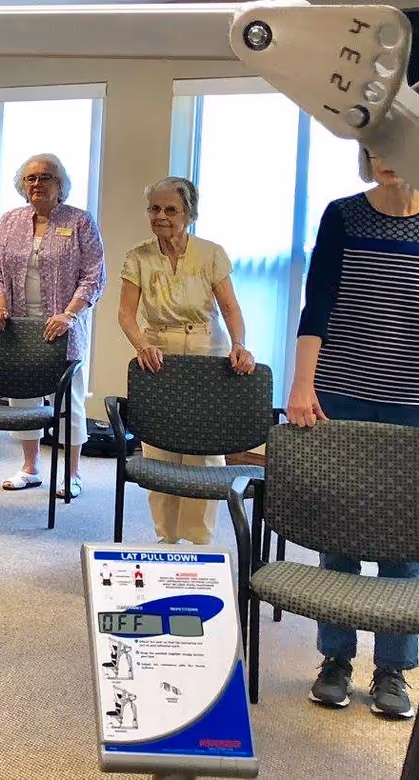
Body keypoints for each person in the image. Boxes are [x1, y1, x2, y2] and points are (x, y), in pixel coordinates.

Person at [288, 146, 419, 721]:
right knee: (338, 523)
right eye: (377, 149)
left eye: (401, 147)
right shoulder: (343, 214)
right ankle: (336, 659)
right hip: (342, 384)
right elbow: (316, 305)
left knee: (402, 531)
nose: (388, 158)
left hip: (416, 396)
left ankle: (393, 667)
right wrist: (302, 384)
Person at [114, 176, 255, 546]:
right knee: (159, 451)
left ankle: (200, 538)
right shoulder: (138, 256)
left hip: (208, 353)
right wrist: (141, 344)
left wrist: (240, 344)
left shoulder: (211, 253)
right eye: (154, 209)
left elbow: (230, 307)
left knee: (204, 453)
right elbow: (126, 314)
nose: (160, 216)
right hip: (158, 355)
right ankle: (166, 537)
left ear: (189, 213)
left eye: (170, 209)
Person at [0, 153, 106, 499]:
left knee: (68, 400)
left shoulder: (81, 222)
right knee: (22, 398)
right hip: (20, 328)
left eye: (46, 177)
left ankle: (72, 473)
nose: (37, 184)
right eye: (31, 178)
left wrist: (69, 314)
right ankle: (30, 467)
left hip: (64, 326)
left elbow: (94, 276)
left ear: (60, 184)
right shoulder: (9, 222)